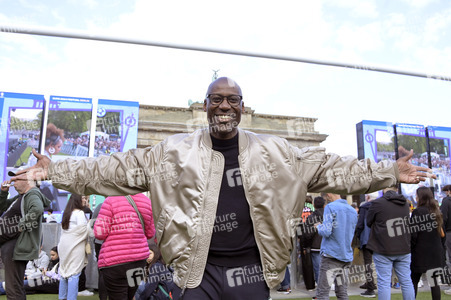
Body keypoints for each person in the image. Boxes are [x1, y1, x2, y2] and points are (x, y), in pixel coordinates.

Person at [13, 77, 435, 300]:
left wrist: (387, 171)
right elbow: (113, 168)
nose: (225, 106)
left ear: (243, 107)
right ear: (205, 106)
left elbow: (335, 169)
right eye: (217, 98)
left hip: (250, 271)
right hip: (196, 274)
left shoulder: (278, 153)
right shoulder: (172, 151)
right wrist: (56, 170)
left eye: (233, 99)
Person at [94, 194, 155, 300]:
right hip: (138, 260)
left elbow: (100, 233)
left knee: (118, 295)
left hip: (114, 261)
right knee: (130, 296)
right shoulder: (146, 201)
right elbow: (150, 233)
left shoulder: (111, 200)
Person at [0, 170, 50, 299]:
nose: (12, 181)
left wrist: (20, 227)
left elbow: (37, 209)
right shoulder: (21, 196)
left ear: (28, 181)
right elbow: (2, 208)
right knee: (15, 286)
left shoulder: (32, 193)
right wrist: (3, 193)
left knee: (13, 288)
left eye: (16, 179)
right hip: (12, 247)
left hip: (15, 247)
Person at [366, 185, 415, 300]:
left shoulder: (377, 203)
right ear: (396, 189)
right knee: (406, 281)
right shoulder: (404, 203)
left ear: (383, 188)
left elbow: (368, 222)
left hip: (383, 248)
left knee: (384, 282)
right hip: (403, 247)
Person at [314, 193, 357, 299]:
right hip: (345, 255)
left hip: (331, 255)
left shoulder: (330, 207)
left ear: (330, 194)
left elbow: (326, 231)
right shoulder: (352, 210)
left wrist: (319, 227)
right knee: (342, 293)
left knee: (322, 293)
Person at [410, 187, 445, 299]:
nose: (415, 197)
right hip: (435, 252)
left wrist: (410, 248)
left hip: (420, 252)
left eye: (417, 195)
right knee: (434, 284)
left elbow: (413, 234)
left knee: (413, 281)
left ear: (421, 197)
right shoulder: (437, 211)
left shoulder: (417, 212)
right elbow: (441, 234)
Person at [58, 194, 92, 300]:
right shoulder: (80, 213)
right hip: (75, 247)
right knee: (74, 273)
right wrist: (90, 224)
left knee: (64, 273)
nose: (85, 200)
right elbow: (83, 230)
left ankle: (62, 297)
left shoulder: (66, 213)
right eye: (82, 198)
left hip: (63, 246)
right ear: (77, 200)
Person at [355, 193, 378, 298]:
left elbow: (360, 225)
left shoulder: (364, 207)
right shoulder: (380, 206)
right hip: (379, 239)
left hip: (366, 239)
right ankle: (371, 283)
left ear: (368, 198)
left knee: (368, 264)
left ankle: (370, 287)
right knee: (377, 263)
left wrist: (358, 236)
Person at [303, 196, 326, 287]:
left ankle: (321, 286)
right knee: (327, 267)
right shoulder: (329, 215)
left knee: (318, 268)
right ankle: (327, 284)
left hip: (315, 246)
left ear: (314, 205)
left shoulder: (311, 217)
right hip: (327, 245)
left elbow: (307, 234)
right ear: (324, 205)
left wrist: (305, 246)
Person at [92, 201, 107, 300]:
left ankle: (103, 296)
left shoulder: (101, 206)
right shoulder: (101, 205)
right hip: (105, 242)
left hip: (100, 242)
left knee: (102, 271)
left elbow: (92, 224)